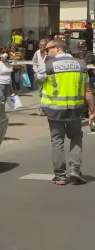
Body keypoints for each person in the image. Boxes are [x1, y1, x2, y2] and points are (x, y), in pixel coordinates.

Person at [37, 39, 95, 185]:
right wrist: (92, 111)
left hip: (54, 110)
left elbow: (39, 79)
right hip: (75, 110)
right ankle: (75, 169)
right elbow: (88, 91)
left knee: (57, 141)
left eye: (47, 49)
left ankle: (60, 176)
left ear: (57, 48)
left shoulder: (48, 65)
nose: (45, 52)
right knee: (76, 138)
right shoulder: (81, 64)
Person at [32, 39, 48, 116]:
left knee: (46, 92)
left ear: (46, 46)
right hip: (39, 75)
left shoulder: (48, 53)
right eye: (40, 45)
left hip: (48, 75)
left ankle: (44, 108)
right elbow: (34, 62)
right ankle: (43, 108)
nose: (41, 46)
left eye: (43, 45)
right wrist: (36, 72)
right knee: (40, 92)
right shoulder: (37, 53)